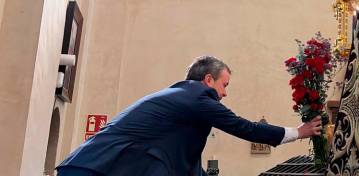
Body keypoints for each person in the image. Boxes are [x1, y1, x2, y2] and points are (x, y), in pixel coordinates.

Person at [56, 56, 322, 176]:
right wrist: (299, 132)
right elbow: (244, 128)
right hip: (97, 168)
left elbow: (187, 163)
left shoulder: (181, 99)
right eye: (224, 85)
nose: (225, 93)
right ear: (208, 80)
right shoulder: (197, 97)